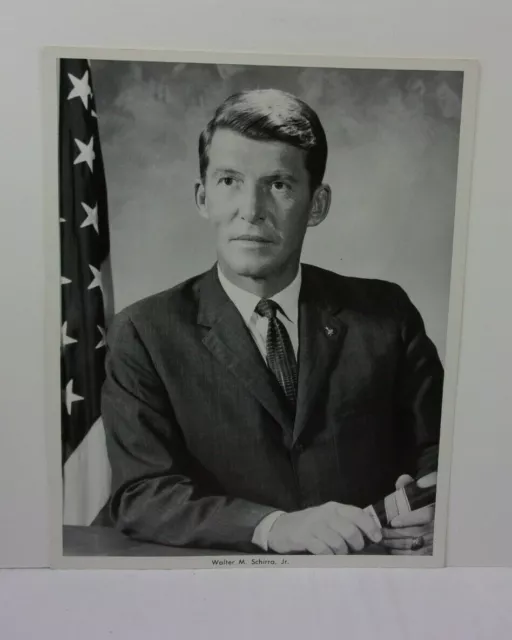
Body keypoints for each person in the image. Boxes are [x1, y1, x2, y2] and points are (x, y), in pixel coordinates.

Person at [101, 89, 443, 556]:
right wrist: (272, 527)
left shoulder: (386, 314)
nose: (252, 209)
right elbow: (141, 494)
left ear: (317, 204)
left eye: (278, 184)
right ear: (203, 198)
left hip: (363, 585)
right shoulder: (143, 332)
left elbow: (443, 450)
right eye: (229, 181)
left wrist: (434, 504)